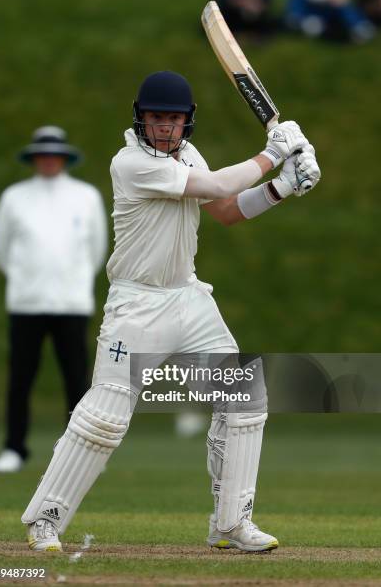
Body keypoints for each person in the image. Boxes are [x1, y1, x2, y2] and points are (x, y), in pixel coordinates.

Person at [21, 72, 320, 553]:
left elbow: (224, 207)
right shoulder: (131, 163)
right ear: (141, 119)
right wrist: (274, 153)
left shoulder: (187, 155)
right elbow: (221, 180)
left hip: (188, 296)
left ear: (187, 122)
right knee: (105, 419)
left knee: (244, 395)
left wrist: (281, 187)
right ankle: (45, 520)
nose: (165, 127)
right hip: (136, 303)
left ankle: (230, 524)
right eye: (157, 118)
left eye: (174, 119)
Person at [0, 126, 107, 473]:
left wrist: (76, 280)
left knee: (76, 379)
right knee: (21, 378)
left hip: (71, 303)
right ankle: (14, 448)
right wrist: (24, 277)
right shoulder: (14, 196)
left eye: (54, 155)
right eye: (42, 155)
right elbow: (2, 248)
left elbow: (97, 249)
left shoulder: (86, 196)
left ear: (64, 158)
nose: (48, 160)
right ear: (34, 158)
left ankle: (81, 454)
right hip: (26, 302)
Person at [283, 0, 375, 42]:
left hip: (329, 12)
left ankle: (359, 25)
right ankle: (297, 18)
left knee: (346, 7)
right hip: (312, 11)